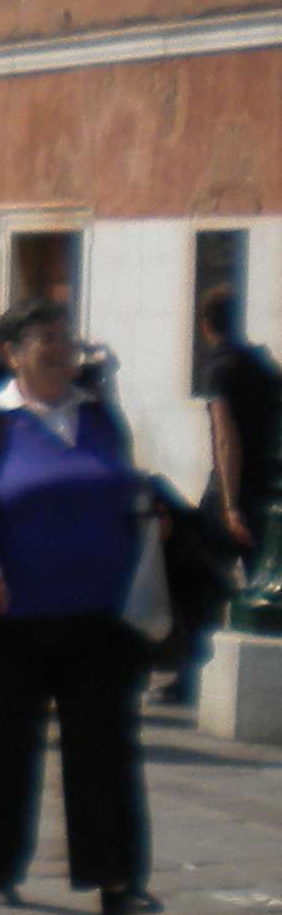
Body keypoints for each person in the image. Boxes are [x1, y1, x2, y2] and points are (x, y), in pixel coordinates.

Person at [0, 301, 156, 915]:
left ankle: (116, 878)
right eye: (44, 340)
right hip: (2, 622)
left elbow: (121, 484)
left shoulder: (99, 417)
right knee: (1, 747)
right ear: (13, 353)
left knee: (105, 749)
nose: (60, 350)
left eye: (67, 339)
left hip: (98, 617)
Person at [169, 287, 282, 706]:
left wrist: (230, 505)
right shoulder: (262, 364)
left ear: (204, 326)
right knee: (254, 578)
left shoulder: (220, 369)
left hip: (232, 491)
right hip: (266, 490)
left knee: (194, 576)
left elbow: (226, 440)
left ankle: (189, 676)